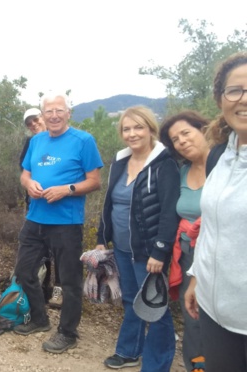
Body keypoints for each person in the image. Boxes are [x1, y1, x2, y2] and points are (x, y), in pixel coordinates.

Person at [14, 92, 103, 354]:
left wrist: (67, 189)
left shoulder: (83, 140)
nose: (53, 115)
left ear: (68, 113)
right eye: (48, 111)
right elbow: (25, 173)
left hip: (67, 222)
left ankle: (67, 332)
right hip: (35, 219)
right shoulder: (37, 140)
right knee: (25, 271)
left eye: (59, 110)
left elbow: (95, 181)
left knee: (69, 281)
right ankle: (40, 319)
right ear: (42, 115)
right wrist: (28, 183)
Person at [96, 106, 179, 370]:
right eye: (126, 129)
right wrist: (102, 236)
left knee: (155, 308)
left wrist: (160, 251)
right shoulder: (120, 161)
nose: (132, 134)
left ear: (150, 128)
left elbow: (169, 211)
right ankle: (129, 351)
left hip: (148, 250)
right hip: (122, 248)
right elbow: (109, 202)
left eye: (138, 127)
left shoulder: (164, 163)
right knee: (131, 301)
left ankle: (157, 364)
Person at [185, 52, 247, 371]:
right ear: (221, 99)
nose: (243, 99)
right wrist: (196, 277)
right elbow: (211, 225)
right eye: (235, 90)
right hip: (213, 313)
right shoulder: (218, 156)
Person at [159, 111, 210, 372]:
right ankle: (196, 367)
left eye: (186, 133)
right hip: (188, 255)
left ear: (203, 129)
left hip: (220, 255)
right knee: (194, 317)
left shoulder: (227, 165)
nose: (182, 141)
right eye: (175, 139)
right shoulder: (183, 172)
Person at [19, 108, 62, 309]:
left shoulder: (62, 139)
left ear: (44, 118)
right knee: (39, 249)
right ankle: (42, 287)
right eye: (29, 124)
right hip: (35, 204)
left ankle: (59, 289)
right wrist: (30, 185)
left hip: (60, 205)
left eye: (35, 120)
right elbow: (24, 170)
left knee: (60, 249)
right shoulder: (31, 143)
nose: (34, 125)